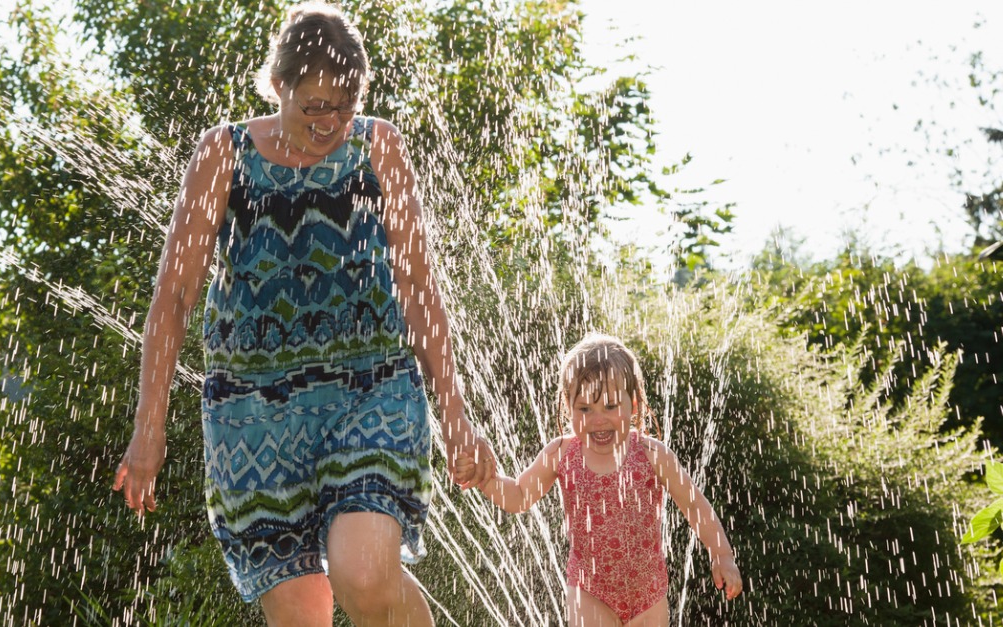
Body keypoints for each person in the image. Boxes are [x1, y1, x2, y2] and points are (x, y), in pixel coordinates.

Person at [111, 2, 495, 625]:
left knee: (365, 573)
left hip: (373, 394)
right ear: (278, 85)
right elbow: (174, 297)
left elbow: (419, 286)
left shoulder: (378, 148)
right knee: (300, 616)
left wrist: (455, 415)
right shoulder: (224, 155)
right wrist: (148, 427)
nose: (329, 123)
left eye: (342, 107)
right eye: (314, 106)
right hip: (253, 420)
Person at [456, 333, 741, 626]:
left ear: (633, 403)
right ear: (567, 406)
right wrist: (485, 480)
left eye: (610, 406)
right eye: (584, 409)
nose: (598, 419)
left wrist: (721, 554)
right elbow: (517, 495)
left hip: (649, 593)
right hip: (588, 590)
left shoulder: (652, 454)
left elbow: (694, 505)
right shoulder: (561, 454)